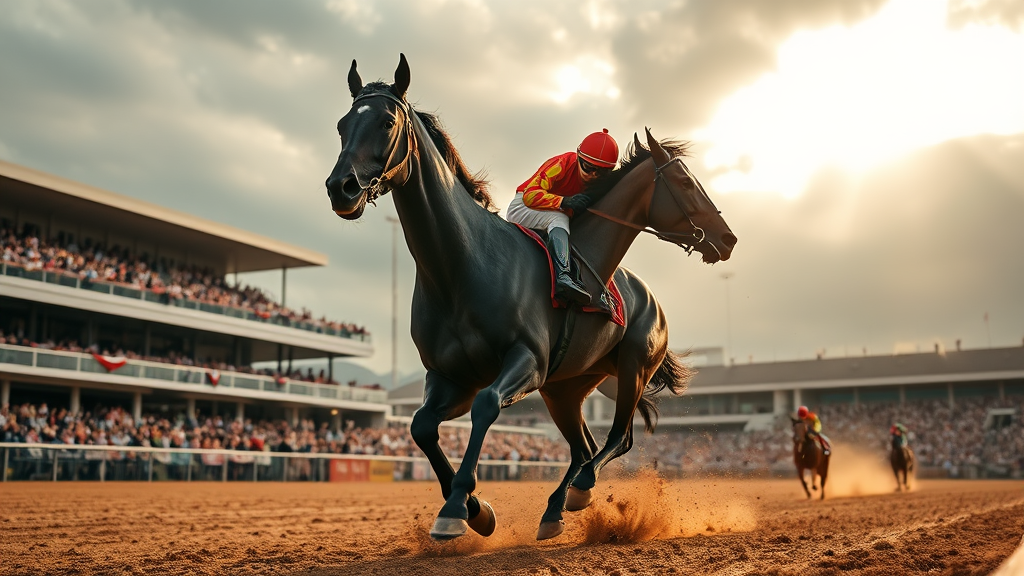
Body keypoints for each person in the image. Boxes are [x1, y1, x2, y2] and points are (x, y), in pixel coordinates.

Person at [506, 129, 619, 304]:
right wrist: (564, 201)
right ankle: (563, 277)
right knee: (559, 218)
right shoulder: (562, 163)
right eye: (588, 168)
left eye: (601, 173)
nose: (592, 176)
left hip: (553, 214)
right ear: (579, 158)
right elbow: (530, 195)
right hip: (522, 208)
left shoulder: (598, 184)